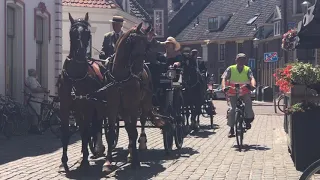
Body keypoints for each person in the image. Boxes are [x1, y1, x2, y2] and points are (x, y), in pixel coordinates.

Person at [221, 53, 256, 138]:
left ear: (245, 61)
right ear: (236, 60)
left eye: (243, 59)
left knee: (248, 103)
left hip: (244, 91)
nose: (241, 61)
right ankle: (232, 128)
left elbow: (252, 78)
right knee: (232, 109)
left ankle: (248, 120)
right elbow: (224, 78)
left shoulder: (247, 69)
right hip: (232, 92)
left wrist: (252, 85)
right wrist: (224, 87)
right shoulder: (230, 69)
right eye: (239, 59)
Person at [25, 69, 49, 134]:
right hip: (34, 99)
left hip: (35, 99)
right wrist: (44, 90)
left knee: (34, 113)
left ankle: (32, 128)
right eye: (35, 72)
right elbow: (35, 89)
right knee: (35, 114)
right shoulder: (32, 80)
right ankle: (34, 128)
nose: (36, 73)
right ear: (33, 73)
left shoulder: (31, 79)